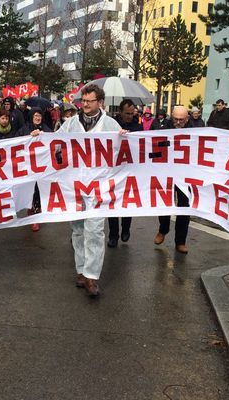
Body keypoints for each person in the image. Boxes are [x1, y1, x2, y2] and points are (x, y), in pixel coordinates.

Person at [57, 84, 122, 298]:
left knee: (94, 230)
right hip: (75, 184)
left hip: (98, 187)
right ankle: (81, 270)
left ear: (100, 102)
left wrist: (124, 138)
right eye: (83, 101)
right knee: (77, 229)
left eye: (89, 101)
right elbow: (55, 143)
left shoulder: (111, 124)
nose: (84, 104)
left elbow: (122, 150)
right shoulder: (71, 124)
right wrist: (40, 137)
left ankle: (92, 276)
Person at [153, 105, 194, 254]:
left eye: (181, 120)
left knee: (184, 207)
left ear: (187, 118)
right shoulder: (162, 129)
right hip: (166, 172)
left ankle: (180, 242)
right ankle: (163, 229)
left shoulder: (197, 130)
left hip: (186, 174)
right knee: (164, 202)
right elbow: (152, 147)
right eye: (175, 119)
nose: (177, 122)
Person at [107, 99, 142, 248]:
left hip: (130, 168)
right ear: (120, 112)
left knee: (128, 200)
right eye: (126, 113)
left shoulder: (138, 126)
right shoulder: (111, 124)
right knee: (112, 202)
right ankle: (113, 235)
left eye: (131, 113)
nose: (129, 116)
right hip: (114, 168)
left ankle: (126, 228)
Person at [20, 107, 52, 233]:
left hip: (42, 166)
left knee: (39, 190)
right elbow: (17, 143)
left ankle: (36, 214)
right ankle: (32, 211)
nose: (38, 118)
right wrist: (29, 137)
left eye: (40, 115)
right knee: (30, 190)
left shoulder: (47, 129)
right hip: (28, 166)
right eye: (35, 116)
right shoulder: (24, 129)